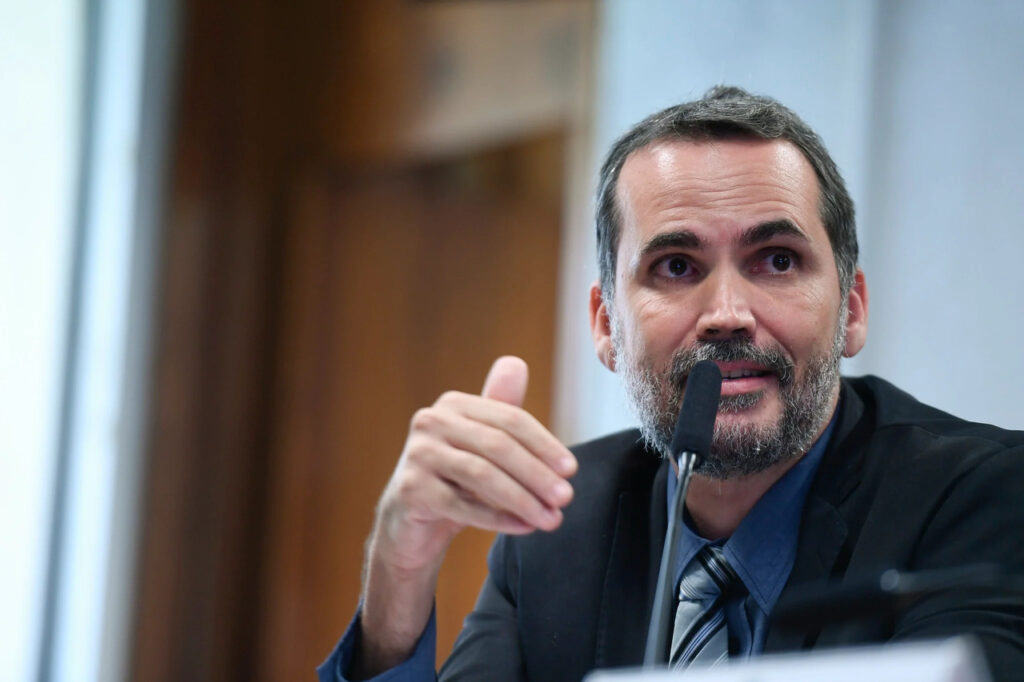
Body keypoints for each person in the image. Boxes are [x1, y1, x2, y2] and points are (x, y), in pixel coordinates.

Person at [319, 86, 1024, 681]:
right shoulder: (556, 531)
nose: (727, 314)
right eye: (677, 268)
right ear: (606, 326)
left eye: (777, 260)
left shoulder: (985, 498)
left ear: (853, 310)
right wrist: (399, 574)